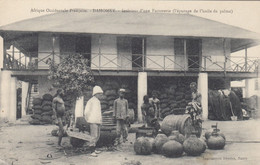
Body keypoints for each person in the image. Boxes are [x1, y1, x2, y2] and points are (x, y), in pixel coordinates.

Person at [84, 85, 104, 157]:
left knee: (97, 135)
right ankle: (91, 151)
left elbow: (99, 112)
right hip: (92, 121)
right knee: (93, 136)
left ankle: (94, 148)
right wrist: (88, 119)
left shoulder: (98, 101)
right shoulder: (91, 101)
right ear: (96, 94)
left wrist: (100, 120)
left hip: (97, 120)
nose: (101, 95)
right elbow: (86, 111)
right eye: (99, 94)